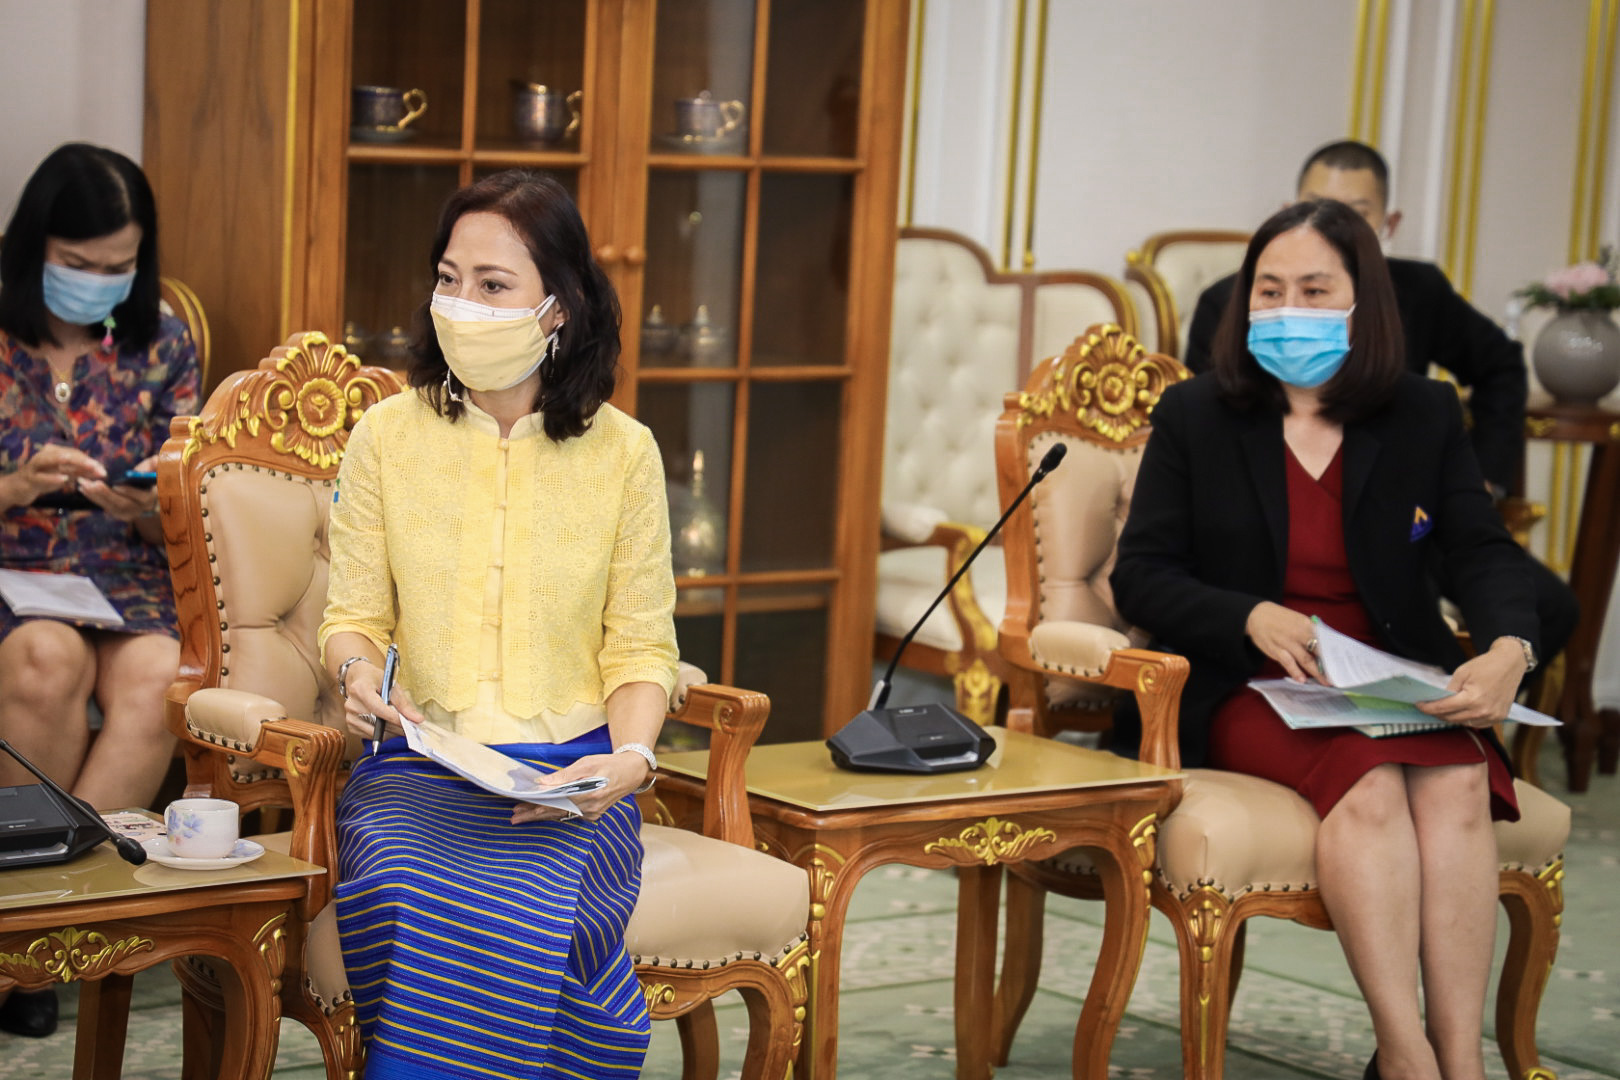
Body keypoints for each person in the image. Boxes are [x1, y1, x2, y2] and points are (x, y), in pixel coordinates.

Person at [1113, 199, 1538, 1080]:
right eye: (1269, 290)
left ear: (1361, 300)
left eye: (1314, 289)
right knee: (1372, 784)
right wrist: (1248, 614)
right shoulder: (1196, 414)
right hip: (1252, 682)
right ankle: (1407, 1056)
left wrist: (1509, 650)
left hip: (1387, 677)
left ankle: (1461, 1063)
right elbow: (1142, 575)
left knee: (1459, 777)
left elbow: (1480, 549)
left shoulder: (1422, 412)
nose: (1287, 309)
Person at [319, 169, 678, 1079]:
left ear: (558, 308)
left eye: (493, 285)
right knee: (400, 883)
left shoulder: (626, 454)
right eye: (449, 279)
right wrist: (356, 676)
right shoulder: (385, 437)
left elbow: (641, 645)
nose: (462, 304)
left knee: (550, 908)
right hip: (422, 764)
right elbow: (354, 618)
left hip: (574, 777)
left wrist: (631, 762)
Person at [1182, 138, 1577, 670]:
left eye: (1355, 213)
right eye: (1317, 205)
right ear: (1290, 209)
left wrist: (1483, 477)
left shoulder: (1417, 296)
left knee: (1542, 607)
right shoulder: (1229, 302)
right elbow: (1209, 436)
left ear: (1388, 224)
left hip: (1410, 525)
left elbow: (1500, 366)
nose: (1330, 224)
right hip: (1271, 534)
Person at [0, 144, 199, 1038]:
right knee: (46, 659)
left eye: (117, 267)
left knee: (163, 676)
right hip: (14, 567)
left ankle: (36, 937)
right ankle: (24, 932)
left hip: (124, 571)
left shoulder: (164, 342)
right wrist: (14, 487)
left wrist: (145, 506)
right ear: (35, 247)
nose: (97, 283)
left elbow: (187, 504)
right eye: (78, 264)